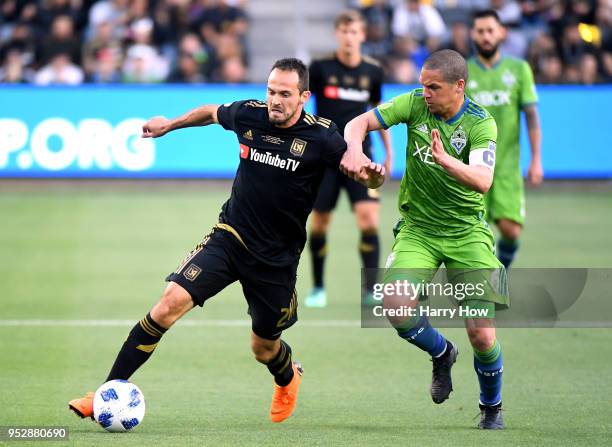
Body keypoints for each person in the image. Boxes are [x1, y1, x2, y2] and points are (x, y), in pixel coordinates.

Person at [68, 58, 385, 424]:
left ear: (304, 97)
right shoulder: (250, 115)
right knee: (168, 303)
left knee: (263, 347)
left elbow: (362, 173)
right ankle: (104, 392)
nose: (275, 100)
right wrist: (170, 125)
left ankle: (287, 377)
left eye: (284, 94)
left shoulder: (322, 137)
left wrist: (372, 177)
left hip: (276, 260)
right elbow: (209, 112)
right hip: (230, 236)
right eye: (270, 91)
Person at [342, 49, 508, 429]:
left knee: (482, 334)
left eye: (433, 87)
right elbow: (358, 123)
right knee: (395, 304)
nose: (425, 93)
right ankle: (442, 353)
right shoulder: (415, 104)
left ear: (459, 87)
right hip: (419, 230)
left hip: (467, 232)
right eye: (422, 85)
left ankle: (491, 407)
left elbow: (483, 180)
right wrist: (354, 149)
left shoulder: (482, 123)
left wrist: (447, 160)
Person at [305, 10, 392, 308]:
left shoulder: (373, 72)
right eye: (343, 31)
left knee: (368, 221)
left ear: (362, 35)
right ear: (337, 34)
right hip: (325, 161)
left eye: (354, 31)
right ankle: (317, 287)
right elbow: (304, 107)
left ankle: (371, 289)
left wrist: (389, 154)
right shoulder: (320, 68)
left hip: (363, 160)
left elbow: (381, 115)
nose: (349, 37)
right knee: (319, 225)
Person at [467, 9, 543, 268]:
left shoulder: (519, 69)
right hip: (471, 168)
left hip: (507, 167)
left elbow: (531, 116)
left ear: (502, 33)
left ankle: (501, 272)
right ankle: (482, 286)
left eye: (490, 30)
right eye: (480, 31)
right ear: (472, 34)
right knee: (475, 235)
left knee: (511, 230)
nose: (486, 36)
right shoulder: (463, 72)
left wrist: (536, 161)